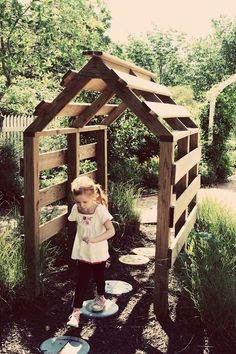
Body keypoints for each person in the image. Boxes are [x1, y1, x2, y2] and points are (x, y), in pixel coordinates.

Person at [67, 175, 115, 328]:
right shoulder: (76, 208)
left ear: (94, 196)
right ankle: (76, 313)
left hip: (98, 252)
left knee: (99, 276)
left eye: (85, 201)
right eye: (78, 202)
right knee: (81, 281)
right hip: (83, 252)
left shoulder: (100, 211)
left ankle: (101, 297)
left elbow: (111, 231)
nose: (82, 205)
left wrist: (95, 239)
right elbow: (75, 221)